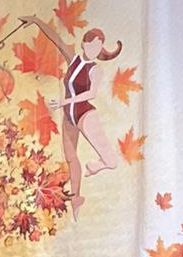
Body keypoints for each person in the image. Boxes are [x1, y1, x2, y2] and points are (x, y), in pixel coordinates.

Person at [21, 15, 121, 220]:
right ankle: (76, 198)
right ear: (83, 44)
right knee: (71, 158)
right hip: (69, 117)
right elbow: (55, 38)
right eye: (91, 45)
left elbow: (91, 93)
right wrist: (36, 21)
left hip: (85, 113)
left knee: (111, 161)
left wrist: (64, 102)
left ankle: (99, 165)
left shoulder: (96, 70)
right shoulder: (74, 60)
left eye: (98, 47)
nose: (93, 50)